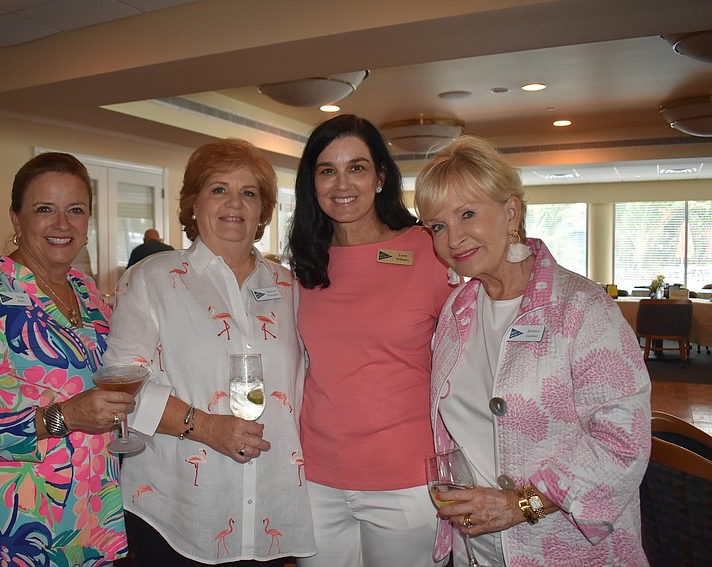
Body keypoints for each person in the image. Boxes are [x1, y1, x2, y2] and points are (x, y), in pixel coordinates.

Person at [414, 135, 651, 566]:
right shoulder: (456, 311)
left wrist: (521, 504)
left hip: (566, 548)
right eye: (438, 226)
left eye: (467, 214)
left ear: (511, 212)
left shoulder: (581, 308)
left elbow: (622, 443)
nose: (453, 238)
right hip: (476, 548)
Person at [103, 139, 316, 565]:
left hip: (273, 501)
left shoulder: (292, 286)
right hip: (179, 509)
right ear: (193, 204)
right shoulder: (152, 278)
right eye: (219, 189)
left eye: (249, 192)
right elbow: (120, 387)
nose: (234, 202)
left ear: (262, 211)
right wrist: (205, 427)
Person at [0, 152, 134, 566]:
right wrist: (65, 417)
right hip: (21, 520)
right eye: (45, 209)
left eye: (75, 210)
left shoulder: (87, 291)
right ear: (16, 219)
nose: (62, 224)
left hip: (92, 504)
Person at [287, 114, 454, 567]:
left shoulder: (429, 249)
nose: (342, 183)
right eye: (327, 170)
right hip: (317, 477)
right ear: (312, 183)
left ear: (381, 177)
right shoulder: (305, 262)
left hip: (406, 479)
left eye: (357, 167)